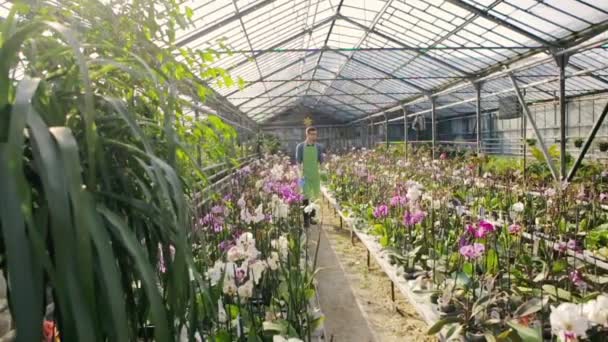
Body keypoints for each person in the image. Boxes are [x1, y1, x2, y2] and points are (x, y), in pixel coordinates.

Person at [296, 127, 323, 227]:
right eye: (311, 134)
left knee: (315, 197)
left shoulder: (319, 147)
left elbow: (321, 161)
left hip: (315, 176)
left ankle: (312, 218)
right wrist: (300, 178)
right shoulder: (300, 147)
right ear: (307, 134)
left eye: (315, 134)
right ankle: (306, 220)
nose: (314, 136)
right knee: (305, 197)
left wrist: (323, 173)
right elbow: (298, 162)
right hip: (304, 176)